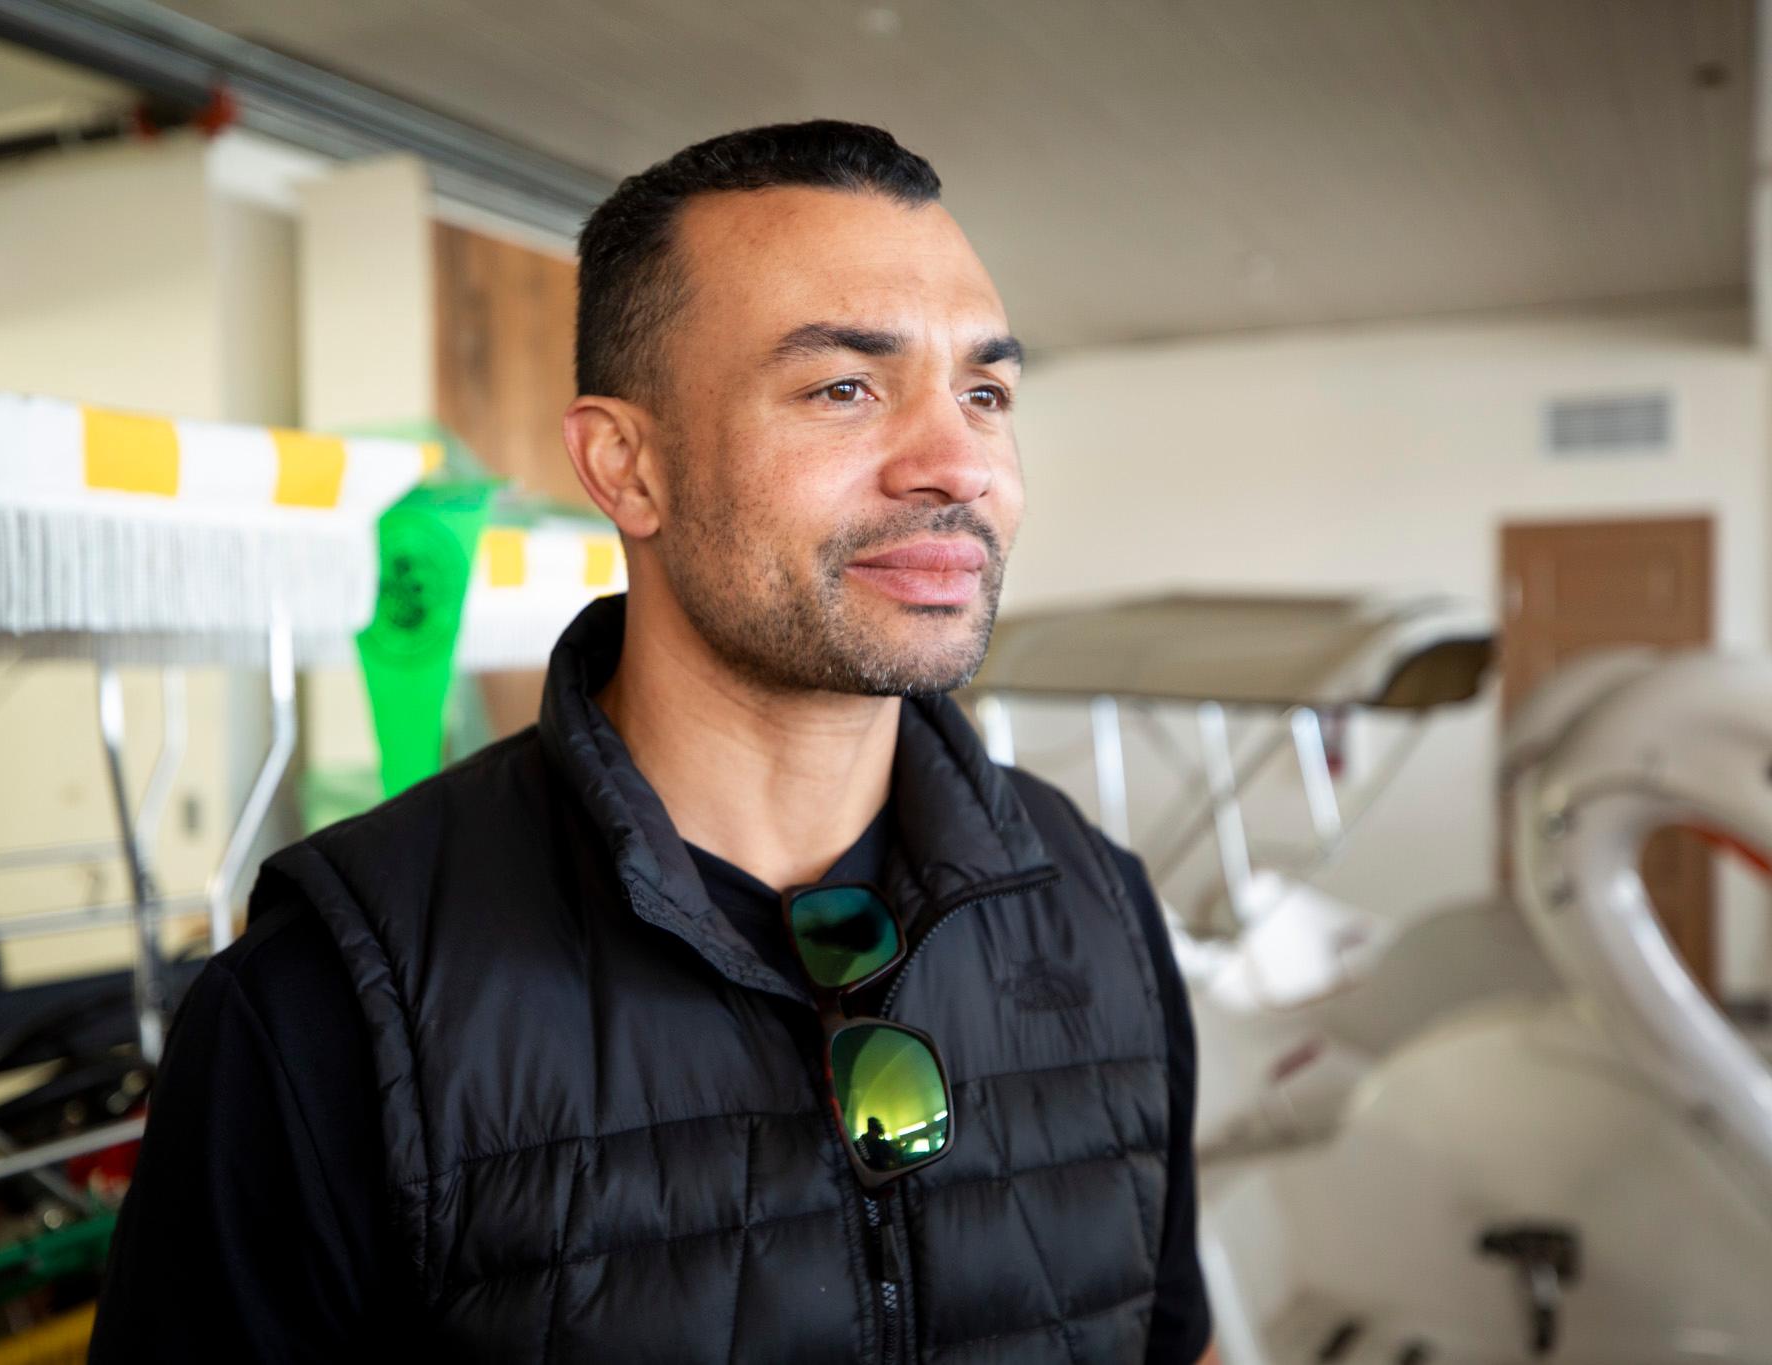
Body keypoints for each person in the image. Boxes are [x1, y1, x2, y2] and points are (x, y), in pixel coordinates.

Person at [91, 120, 1214, 1364]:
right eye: (843, 386)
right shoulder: (331, 1007)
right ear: (625, 467)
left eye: (985, 393)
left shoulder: (1097, 915)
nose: (956, 464)